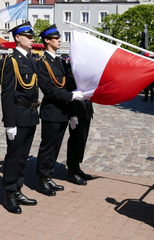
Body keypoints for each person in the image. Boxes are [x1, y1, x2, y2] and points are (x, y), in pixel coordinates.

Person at [35, 24, 85, 193]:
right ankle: (42, 179)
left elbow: (64, 86)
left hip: (62, 112)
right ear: (47, 41)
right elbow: (49, 90)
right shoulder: (42, 63)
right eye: (56, 39)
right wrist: (71, 97)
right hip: (51, 112)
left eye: (59, 38)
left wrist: (71, 112)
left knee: (56, 147)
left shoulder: (58, 61)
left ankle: (48, 177)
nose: (59, 41)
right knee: (48, 147)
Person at [1, 22, 40, 214]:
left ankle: (18, 189)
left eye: (33, 37)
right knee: (13, 157)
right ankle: (9, 194)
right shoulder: (12, 61)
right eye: (29, 36)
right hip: (17, 116)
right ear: (18, 37)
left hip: (31, 115)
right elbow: (6, 93)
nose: (32, 39)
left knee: (23, 158)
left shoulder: (31, 60)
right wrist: (9, 124)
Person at [66, 60, 94, 186]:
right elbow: (69, 90)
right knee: (75, 140)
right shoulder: (70, 68)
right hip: (76, 110)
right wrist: (72, 114)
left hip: (86, 108)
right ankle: (72, 171)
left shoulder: (84, 67)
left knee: (82, 139)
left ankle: (77, 167)